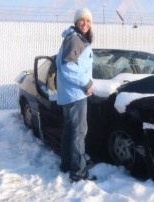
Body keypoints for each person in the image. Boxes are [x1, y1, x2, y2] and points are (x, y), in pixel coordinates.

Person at [56, 7, 95, 182]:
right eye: (82, 20)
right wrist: (86, 83)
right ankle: (78, 173)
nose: (85, 23)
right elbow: (67, 67)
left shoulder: (73, 37)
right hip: (76, 94)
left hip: (69, 93)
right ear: (76, 22)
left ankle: (67, 165)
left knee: (69, 131)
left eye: (88, 20)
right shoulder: (74, 39)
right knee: (79, 132)